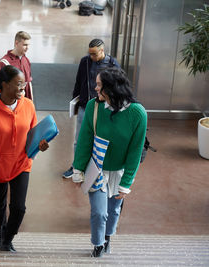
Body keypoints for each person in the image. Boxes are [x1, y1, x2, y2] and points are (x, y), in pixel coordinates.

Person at [72, 67, 147, 257]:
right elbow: (85, 139)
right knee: (99, 212)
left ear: (112, 88)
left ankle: (107, 237)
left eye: (99, 85)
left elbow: (135, 151)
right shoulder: (93, 106)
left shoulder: (137, 113)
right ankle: (98, 244)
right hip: (96, 169)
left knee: (113, 212)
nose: (95, 88)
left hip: (119, 172)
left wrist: (126, 183)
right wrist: (78, 169)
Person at [0, 65, 49, 252]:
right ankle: (0, 236)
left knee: (19, 208)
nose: (22, 88)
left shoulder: (28, 105)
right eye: (18, 84)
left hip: (21, 163)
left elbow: (33, 135)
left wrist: (40, 145)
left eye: (24, 84)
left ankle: (8, 238)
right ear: (4, 85)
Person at [62, 39, 120, 178]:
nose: (91, 57)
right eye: (90, 54)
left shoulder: (112, 64)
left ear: (102, 51)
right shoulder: (85, 61)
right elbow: (79, 81)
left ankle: (97, 168)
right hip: (85, 106)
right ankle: (76, 166)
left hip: (104, 108)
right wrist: (75, 100)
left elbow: (118, 86)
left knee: (101, 139)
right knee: (79, 139)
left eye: (94, 54)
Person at [0, 31, 34, 100]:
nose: (27, 48)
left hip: (23, 105)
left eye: (28, 45)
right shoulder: (4, 63)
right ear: (16, 43)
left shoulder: (26, 60)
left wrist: (30, 104)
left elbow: (28, 85)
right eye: (25, 45)